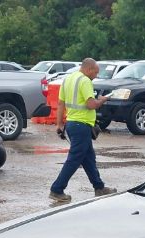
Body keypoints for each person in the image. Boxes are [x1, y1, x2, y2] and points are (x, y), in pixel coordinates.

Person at [49, 58, 116, 202]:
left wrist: (59, 124)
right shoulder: (85, 81)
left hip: (72, 124)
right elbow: (91, 104)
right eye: (95, 72)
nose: (96, 76)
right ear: (89, 69)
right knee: (74, 159)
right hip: (81, 126)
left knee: (89, 158)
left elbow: (61, 103)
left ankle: (99, 187)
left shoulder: (68, 79)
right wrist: (103, 100)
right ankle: (57, 189)